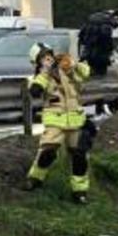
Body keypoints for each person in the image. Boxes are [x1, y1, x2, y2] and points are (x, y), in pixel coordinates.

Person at [26, 44, 93, 200]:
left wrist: (73, 64)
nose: (48, 58)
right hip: (55, 121)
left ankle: (80, 191)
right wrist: (45, 72)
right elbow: (35, 91)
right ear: (38, 62)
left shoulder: (66, 69)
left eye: (49, 55)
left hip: (75, 120)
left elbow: (86, 73)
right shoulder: (40, 76)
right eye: (43, 57)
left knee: (79, 155)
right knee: (48, 152)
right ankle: (35, 179)